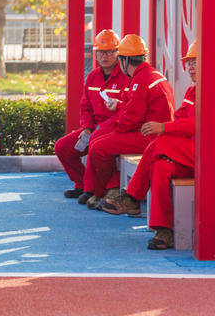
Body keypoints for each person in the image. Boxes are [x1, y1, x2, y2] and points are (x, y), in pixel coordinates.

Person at [101, 41, 197, 249]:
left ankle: (132, 196)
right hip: (189, 152)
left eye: (195, 62)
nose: (190, 68)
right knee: (160, 165)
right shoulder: (192, 92)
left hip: (204, 153)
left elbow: (198, 124)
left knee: (158, 144)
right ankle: (163, 231)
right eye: (189, 63)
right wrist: (166, 127)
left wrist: (163, 127)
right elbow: (180, 119)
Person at [82, 34, 174, 211]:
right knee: (100, 141)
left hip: (148, 138)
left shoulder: (140, 80)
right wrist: (120, 106)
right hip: (154, 134)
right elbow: (138, 107)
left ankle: (103, 192)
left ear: (124, 60)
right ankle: (108, 189)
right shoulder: (150, 75)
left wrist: (115, 128)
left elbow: (130, 119)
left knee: (99, 147)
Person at [54, 30, 129, 201]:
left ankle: (92, 189)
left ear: (118, 53)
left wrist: (97, 130)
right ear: (96, 54)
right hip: (93, 127)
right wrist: (87, 128)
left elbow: (127, 110)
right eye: (101, 52)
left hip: (113, 129)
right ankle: (80, 184)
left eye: (110, 52)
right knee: (63, 147)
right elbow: (85, 106)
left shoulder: (126, 78)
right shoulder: (93, 77)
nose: (105, 56)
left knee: (96, 143)